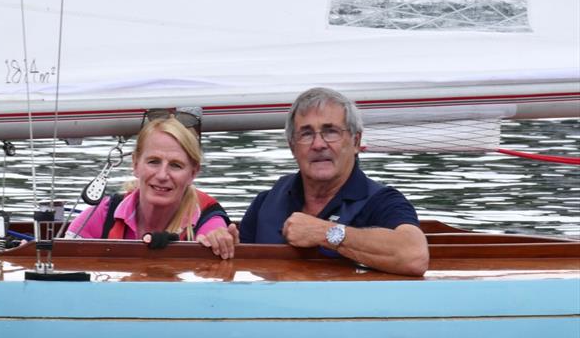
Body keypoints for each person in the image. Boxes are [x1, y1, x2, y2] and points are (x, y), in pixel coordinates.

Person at [238, 87, 429, 276]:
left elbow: (414, 256)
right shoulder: (265, 203)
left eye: (331, 132)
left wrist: (324, 233)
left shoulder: (383, 202)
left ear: (355, 142)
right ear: (292, 147)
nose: (318, 144)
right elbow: (238, 270)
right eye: (306, 134)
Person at [66, 110, 238, 259]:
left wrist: (219, 241)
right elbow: (63, 263)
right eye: (153, 162)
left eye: (176, 165)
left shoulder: (207, 219)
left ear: (193, 173)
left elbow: (214, 234)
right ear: (135, 164)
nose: (162, 175)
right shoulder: (102, 216)